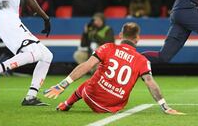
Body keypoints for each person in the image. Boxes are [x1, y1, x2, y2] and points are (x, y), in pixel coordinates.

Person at [44, 22, 183, 115]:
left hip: (90, 97)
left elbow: (87, 66)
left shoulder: (107, 47)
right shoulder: (142, 60)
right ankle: (68, 103)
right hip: (113, 107)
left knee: (89, 81)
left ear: (121, 35)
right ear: (137, 39)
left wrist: (63, 84)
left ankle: (67, 104)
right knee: (96, 81)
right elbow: (150, 83)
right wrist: (165, 106)